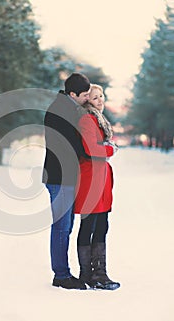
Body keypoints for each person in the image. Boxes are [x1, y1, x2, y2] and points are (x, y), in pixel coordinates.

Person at [42, 73, 90, 290]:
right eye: (85, 94)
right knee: (61, 227)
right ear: (73, 94)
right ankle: (61, 274)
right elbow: (72, 143)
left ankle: (62, 272)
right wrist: (91, 151)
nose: (88, 98)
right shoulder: (62, 110)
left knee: (65, 226)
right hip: (60, 176)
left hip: (64, 176)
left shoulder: (66, 107)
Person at [74, 84, 120, 290]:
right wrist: (110, 148)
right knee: (89, 226)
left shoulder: (99, 120)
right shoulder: (87, 119)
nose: (100, 100)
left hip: (101, 182)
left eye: (101, 96)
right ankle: (86, 274)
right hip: (90, 181)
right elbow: (90, 149)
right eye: (95, 97)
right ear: (87, 101)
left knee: (102, 226)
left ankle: (100, 274)